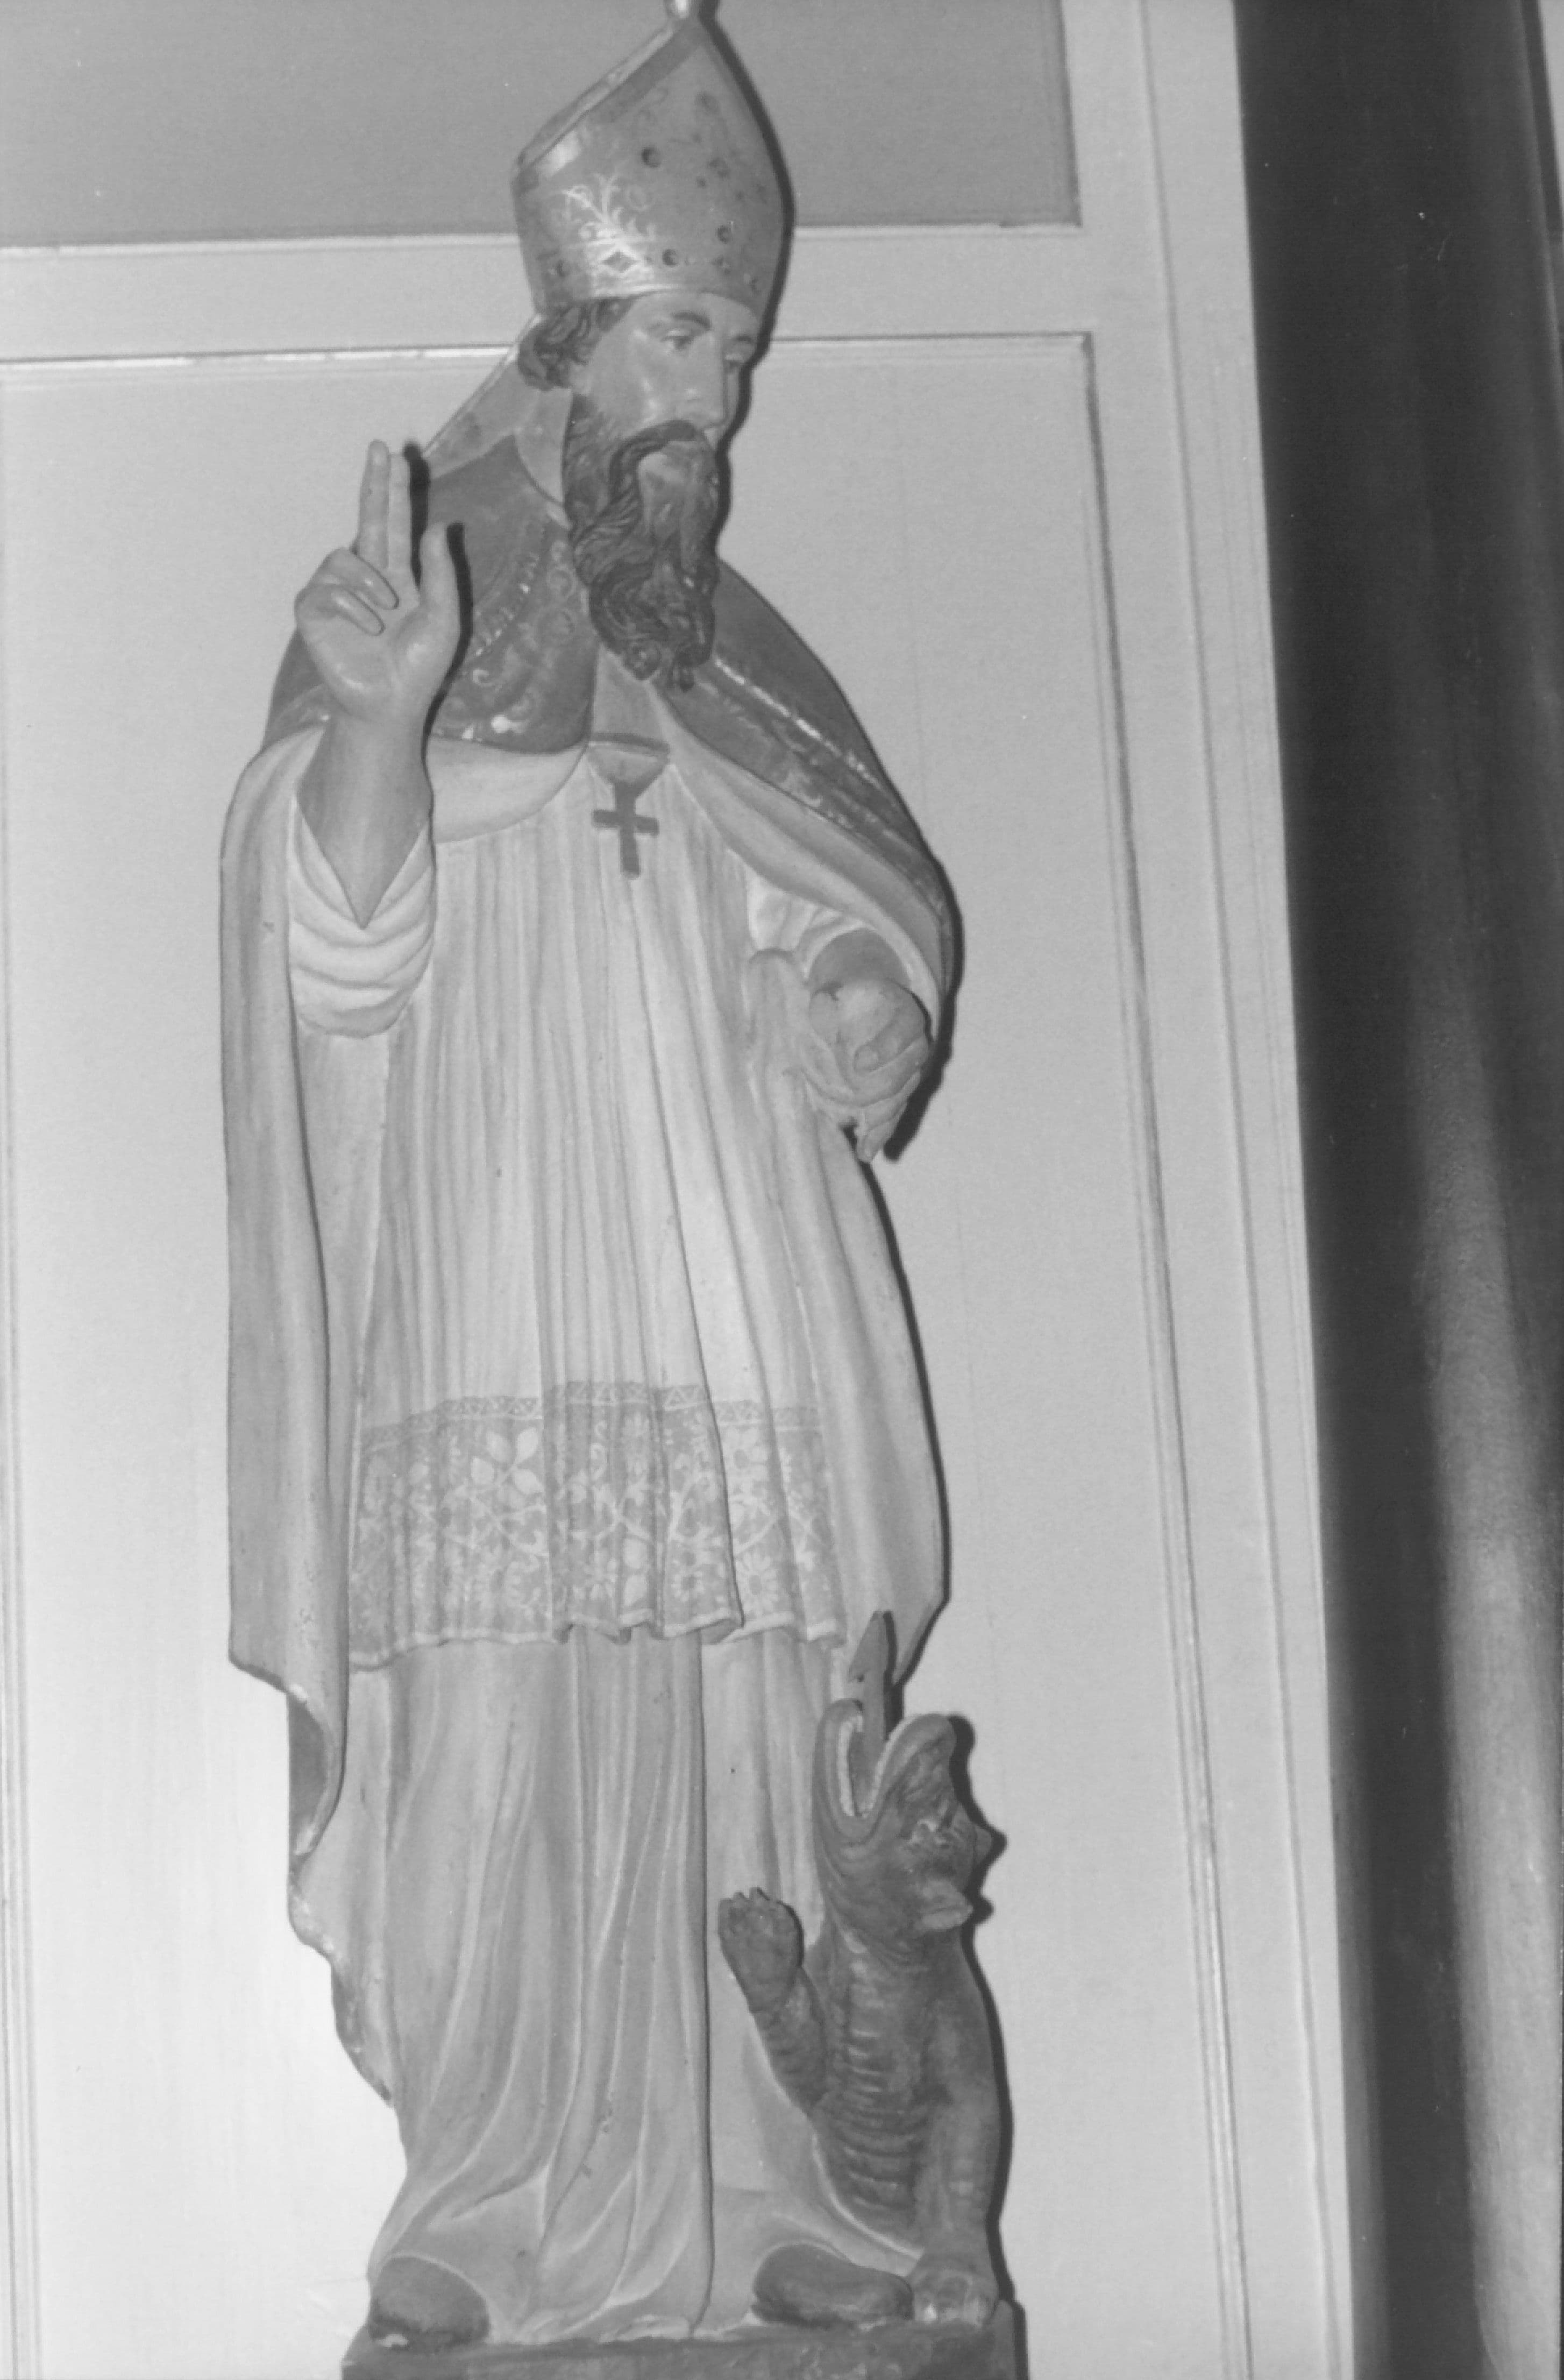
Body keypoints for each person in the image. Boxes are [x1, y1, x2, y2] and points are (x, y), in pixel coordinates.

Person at [222, 1, 955, 2351]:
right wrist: (372, 729)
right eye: (680, 340)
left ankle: (772, 2184)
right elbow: (334, 957)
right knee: (500, 1706)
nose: (716, 395)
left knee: (749, 1699)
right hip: (495, 1237)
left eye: (735, 351)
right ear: (564, 342)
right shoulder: (411, 605)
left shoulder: (728, 648)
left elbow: (831, 899)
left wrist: (864, 992)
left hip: (718, 1252)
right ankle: (494, 2191)